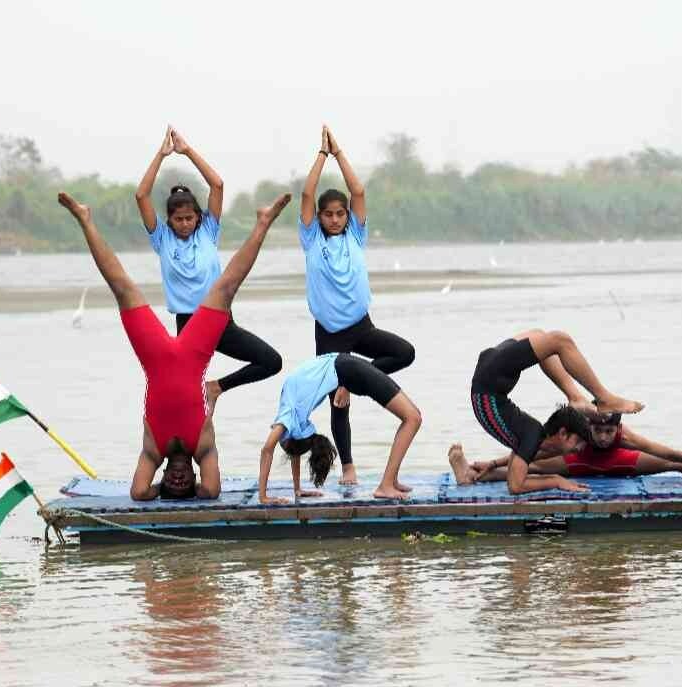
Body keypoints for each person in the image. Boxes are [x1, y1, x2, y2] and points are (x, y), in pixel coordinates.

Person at [58, 188, 292, 501]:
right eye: (185, 481)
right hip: (193, 357)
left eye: (173, 481)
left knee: (122, 289)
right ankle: (264, 222)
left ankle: (85, 219)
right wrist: (192, 491)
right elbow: (211, 491)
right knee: (226, 289)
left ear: (164, 475)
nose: (179, 477)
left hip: (154, 359)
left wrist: (159, 491)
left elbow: (139, 492)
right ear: (194, 474)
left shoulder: (153, 451)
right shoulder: (203, 447)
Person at [135, 126, 282, 412]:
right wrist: (161, 155)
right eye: (179, 219)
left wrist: (187, 150)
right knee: (183, 396)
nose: (185, 224)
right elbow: (142, 196)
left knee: (271, 362)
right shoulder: (161, 239)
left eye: (190, 218)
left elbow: (217, 185)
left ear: (198, 217)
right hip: (188, 325)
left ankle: (216, 388)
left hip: (218, 320)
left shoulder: (207, 232)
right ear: (170, 220)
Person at [299, 125, 415, 486]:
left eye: (340, 213)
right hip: (330, 335)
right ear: (319, 218)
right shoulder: (311, 240)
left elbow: (359, 190)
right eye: (328, 214)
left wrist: (339, 153)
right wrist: (321, 154)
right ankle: (348, 467)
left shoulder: (356, 235)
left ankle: (354, 379)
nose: (334, 219)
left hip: (360, 326)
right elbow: (306, 192)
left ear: (348, 217)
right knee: (338, 403)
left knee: (404, 352)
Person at [467, 329, 644, 494]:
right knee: (559, 341)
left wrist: (493, 464)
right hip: (489, 384)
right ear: (562, 433)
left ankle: (575, 397)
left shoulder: (529, 436)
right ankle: (602, 397)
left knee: (544, 339)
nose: (577, 450)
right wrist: (556, 481)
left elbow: (513, 477)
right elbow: (516, 486)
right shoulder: (531, 436)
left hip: (490, 380)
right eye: (577, 444)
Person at [258, 354, 422, 503]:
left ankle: (386, 485)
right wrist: (297, 489)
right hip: (345, 366)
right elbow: (295, 450)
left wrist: (263, 497)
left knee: (412, 418)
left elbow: (267, 450)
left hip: (347, 370)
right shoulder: (295, 422)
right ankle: (389, 481)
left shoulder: (286, 418)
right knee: (412, 417)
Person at [448, 411, 682, 483]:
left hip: (621, 462)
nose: (605, 437)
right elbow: (532, 452)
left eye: (610, 432)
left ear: (617, 429)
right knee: (529, 468)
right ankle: (469, 475)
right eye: (599, 431)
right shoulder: (578, 437)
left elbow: (669, 453)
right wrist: (493, 463)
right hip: (580, 463)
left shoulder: (625, 437)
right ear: (589, 426)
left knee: (674, 464)